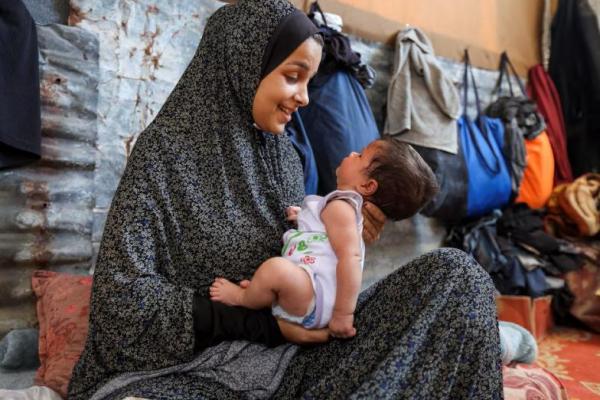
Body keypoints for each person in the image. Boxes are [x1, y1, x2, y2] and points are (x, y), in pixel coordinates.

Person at [68, 1, 503, 399]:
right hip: (198, 372)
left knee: (458, 277)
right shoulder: (166, 155)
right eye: (292, 77)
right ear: (242, 65)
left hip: (295, 359)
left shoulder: (284, 157)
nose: (305, 97)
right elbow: (121, 302)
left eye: (309, 81)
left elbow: (309, 257)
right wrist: (266, 326)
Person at [210, 137, 439, 339]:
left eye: (360, 156)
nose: (351, 154)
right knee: (277, 275)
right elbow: (323, 235)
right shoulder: (343, 211)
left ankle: (243, 297)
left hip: (313, 295)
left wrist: (343, 314)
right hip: (309, 290)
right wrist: (304, 217)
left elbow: (350, 259)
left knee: (275, 270)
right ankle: (266, 292)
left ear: (367, 185)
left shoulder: (342, 209)